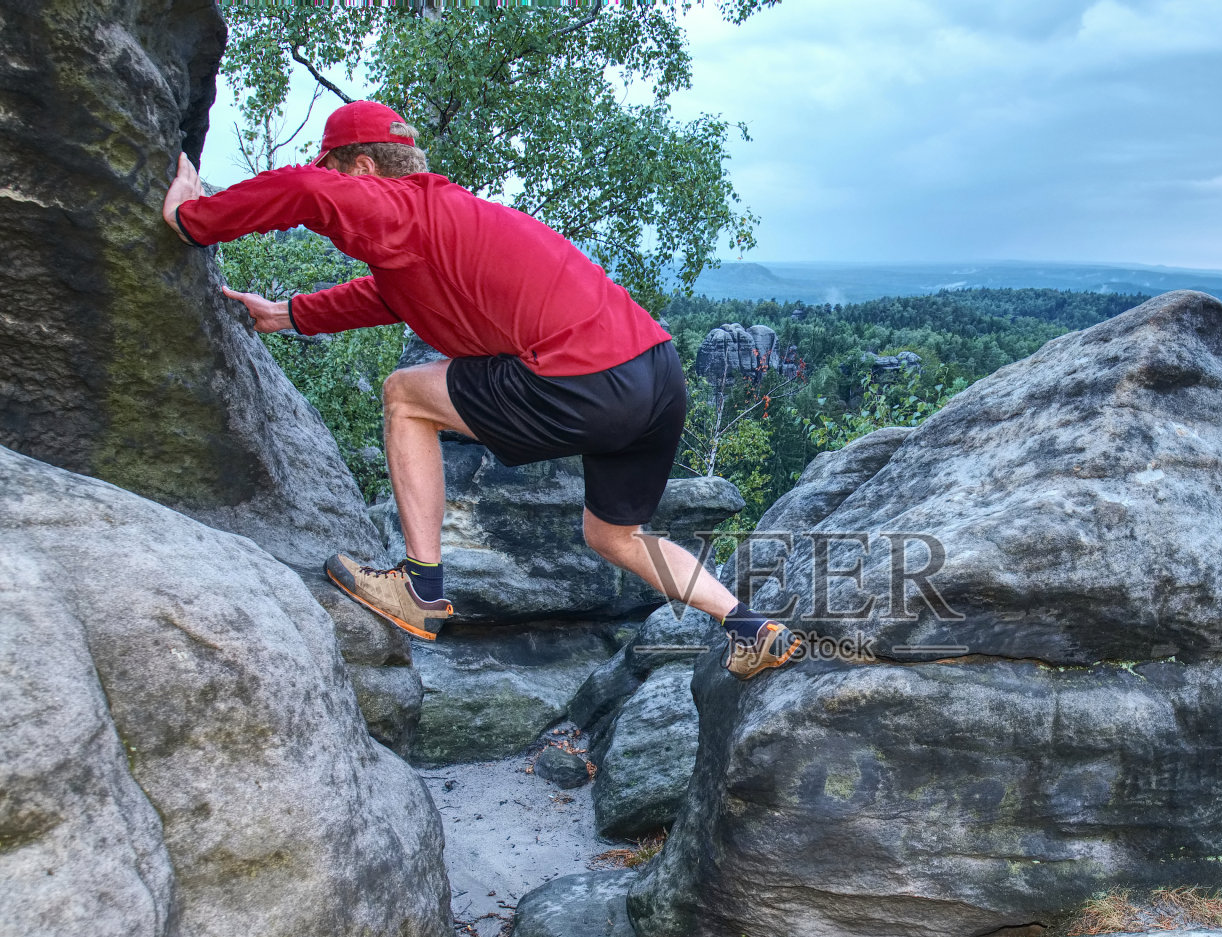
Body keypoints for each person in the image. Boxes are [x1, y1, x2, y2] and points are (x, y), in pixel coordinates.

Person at [162, 100, 795, 680]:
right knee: (613, 536)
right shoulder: (442, 225)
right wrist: (287, 314)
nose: (329, 181)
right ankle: (749, 626)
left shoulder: (401, 206)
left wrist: (195, 219)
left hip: (582, 379)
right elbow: (385, 296)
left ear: (361, 166)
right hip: (656, 375)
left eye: (335, 169)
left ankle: (420, 583)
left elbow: (303, 189)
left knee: (405, 394)